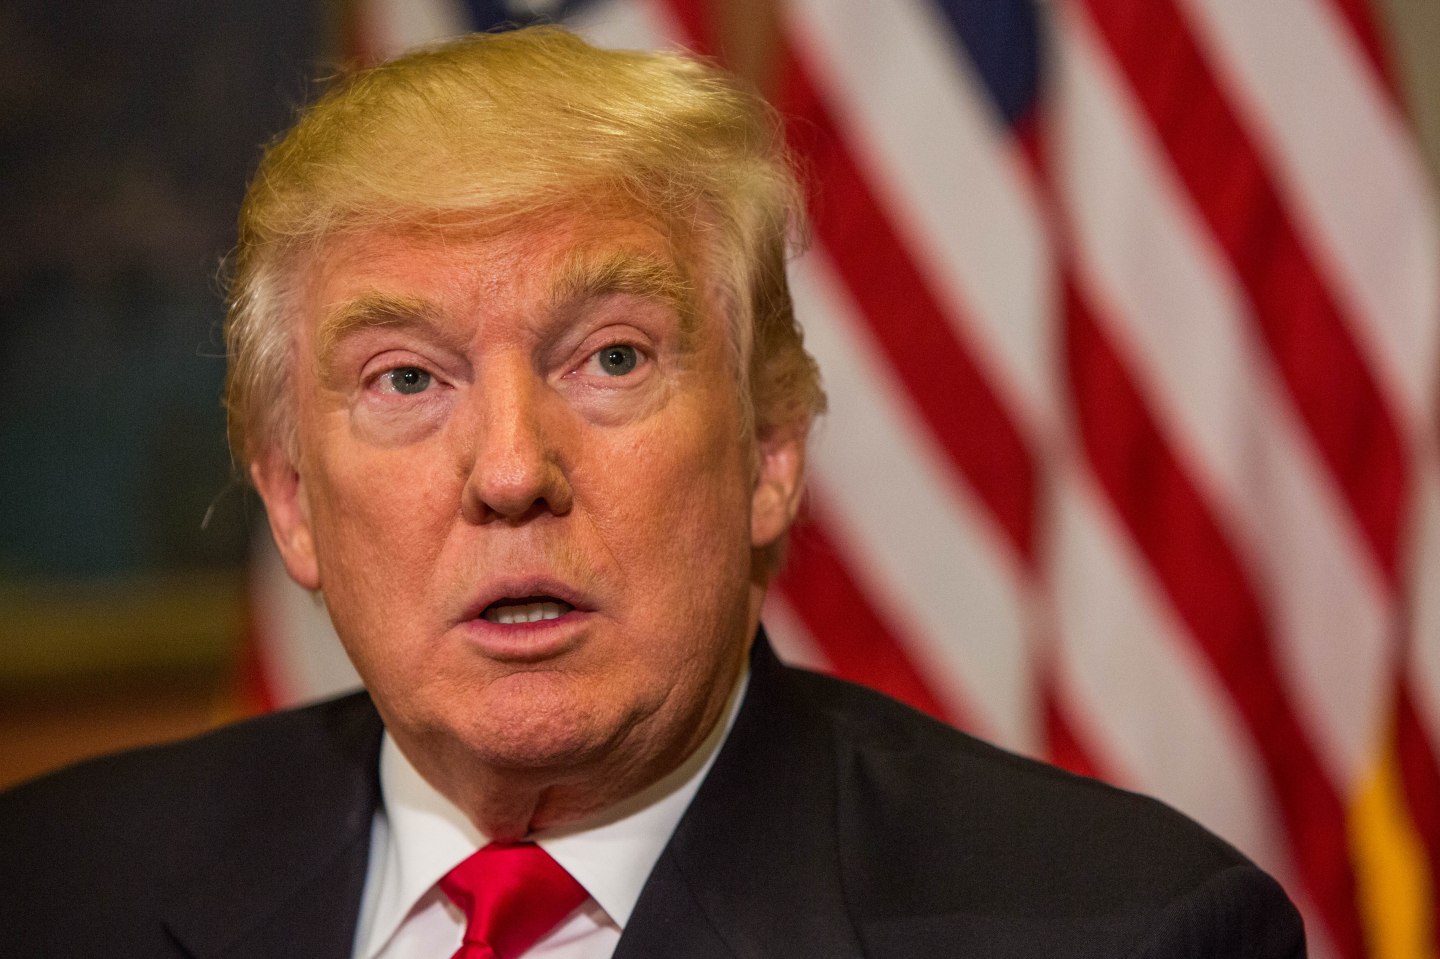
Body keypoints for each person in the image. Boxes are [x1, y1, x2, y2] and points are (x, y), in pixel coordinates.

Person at [0, 26, 1304, 958]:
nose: (511, 472)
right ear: (290, 497)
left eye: (612, 357)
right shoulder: (51, 887)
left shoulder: (1125, 932)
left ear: (771, 452)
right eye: (405, 379)